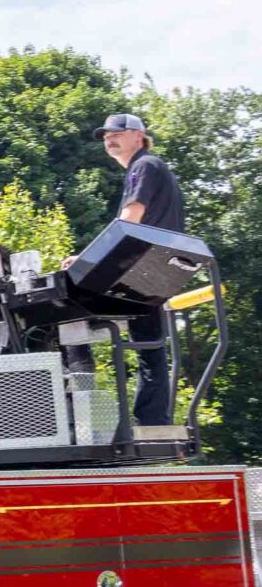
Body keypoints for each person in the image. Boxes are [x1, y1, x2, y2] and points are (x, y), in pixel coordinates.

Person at [98, 112, 183, 426]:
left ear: (139, 135)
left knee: (73, 313)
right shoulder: (148, 166)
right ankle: (152, 418)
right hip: (156, 264)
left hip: (146, 264)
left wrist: (85, 262)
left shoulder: (143, 165)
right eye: (106, 135)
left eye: (117, 133)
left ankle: (141, 418)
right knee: (149, 343)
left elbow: (130, 219)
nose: (109, 138)